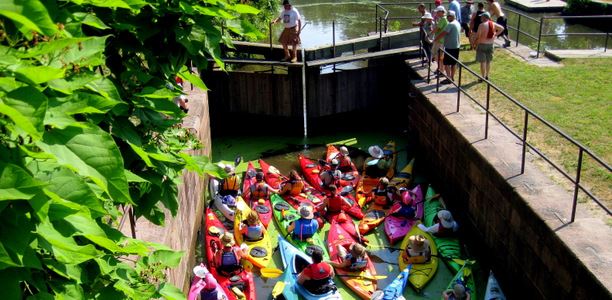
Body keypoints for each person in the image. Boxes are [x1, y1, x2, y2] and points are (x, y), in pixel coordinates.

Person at [433, 11, 461, 84]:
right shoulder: (457, 23)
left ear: (453, 16)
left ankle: (448, 78)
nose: (448, 17)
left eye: (449, 16)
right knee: (453, 63)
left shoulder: (450, 25)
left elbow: (443, 33)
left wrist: (434, 40)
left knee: (446, 64)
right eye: (448, 16)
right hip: (457, 46)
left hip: (450, 47)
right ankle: (452, 77)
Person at [474, 12, 504, 82]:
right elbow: (502, 28)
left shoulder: (481, 25)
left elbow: (478, 36)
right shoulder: (493, 24)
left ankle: (482, 77)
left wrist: (475, 44)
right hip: (490, 45)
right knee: (488, 61)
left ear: (484, 17)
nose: (481, 18)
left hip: (482, 45)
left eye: (482, 17)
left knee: (483, 62)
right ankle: (487, 75)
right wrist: (495, 35)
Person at [431, 6, 448, 74]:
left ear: (441, 12)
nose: (436, 13)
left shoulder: (443, 19)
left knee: (438, 56)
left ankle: (441, 70)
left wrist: (429, 34)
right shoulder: (444, 18)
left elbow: (437, 28)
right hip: (441, 40)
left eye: (438, 12)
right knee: (439, 56)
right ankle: (440, 69)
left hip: (439, 40)